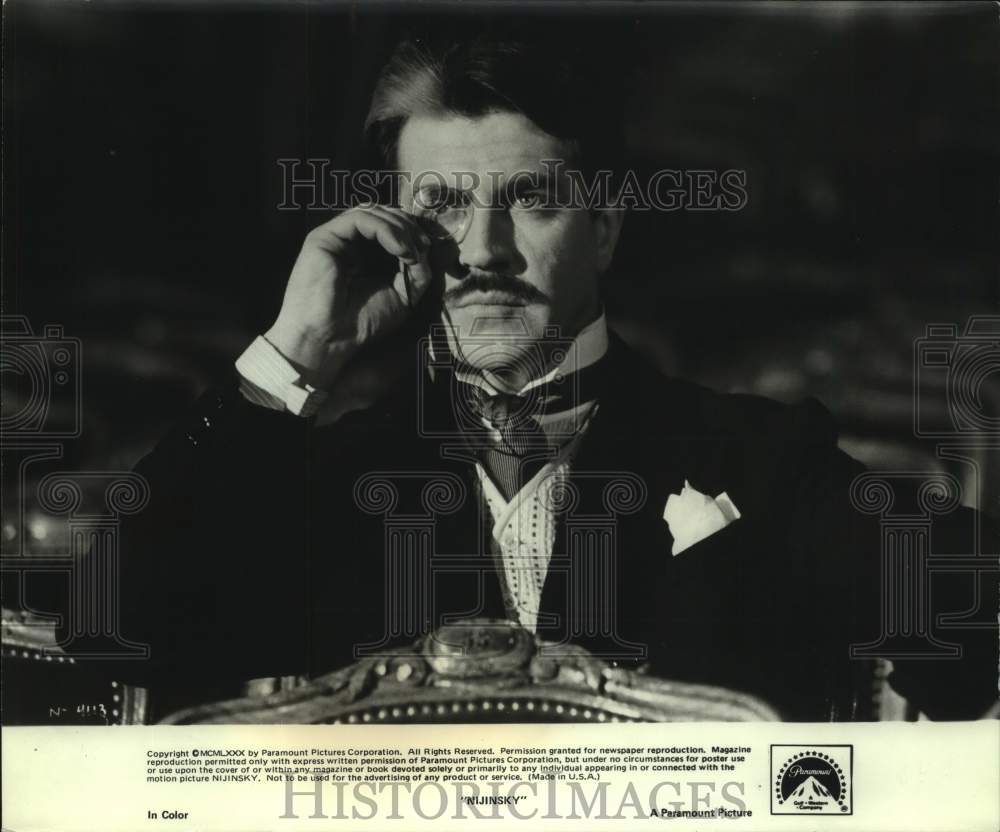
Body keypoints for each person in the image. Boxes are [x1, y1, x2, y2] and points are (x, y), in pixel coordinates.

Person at [106, 31, 996, 721]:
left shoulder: (761, 459)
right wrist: (293, 352)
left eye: (531, 200)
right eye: (444, 207)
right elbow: (104, 633)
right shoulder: (323, 478)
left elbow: (975, 626)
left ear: (604, 229)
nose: (483, 253)